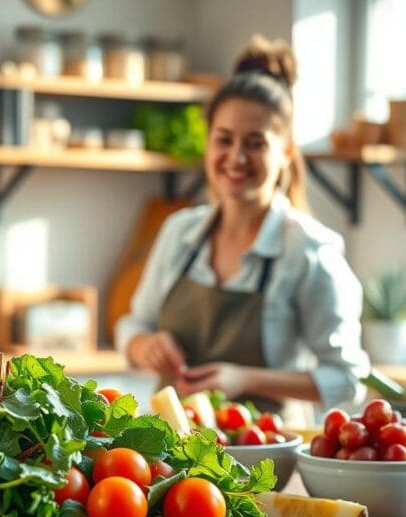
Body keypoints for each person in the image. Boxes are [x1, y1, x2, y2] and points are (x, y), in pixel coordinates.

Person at [115, 36, 370, 412]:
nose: (236, 157)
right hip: (170, 452)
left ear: (285, 152)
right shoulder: (179, 231)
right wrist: (144, 346)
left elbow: (349, 380)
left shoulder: (310, 250)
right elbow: (133, 325)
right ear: (208, 145)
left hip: (265, 454)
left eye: (255, 143)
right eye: (224, 140)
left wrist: (245, 379)